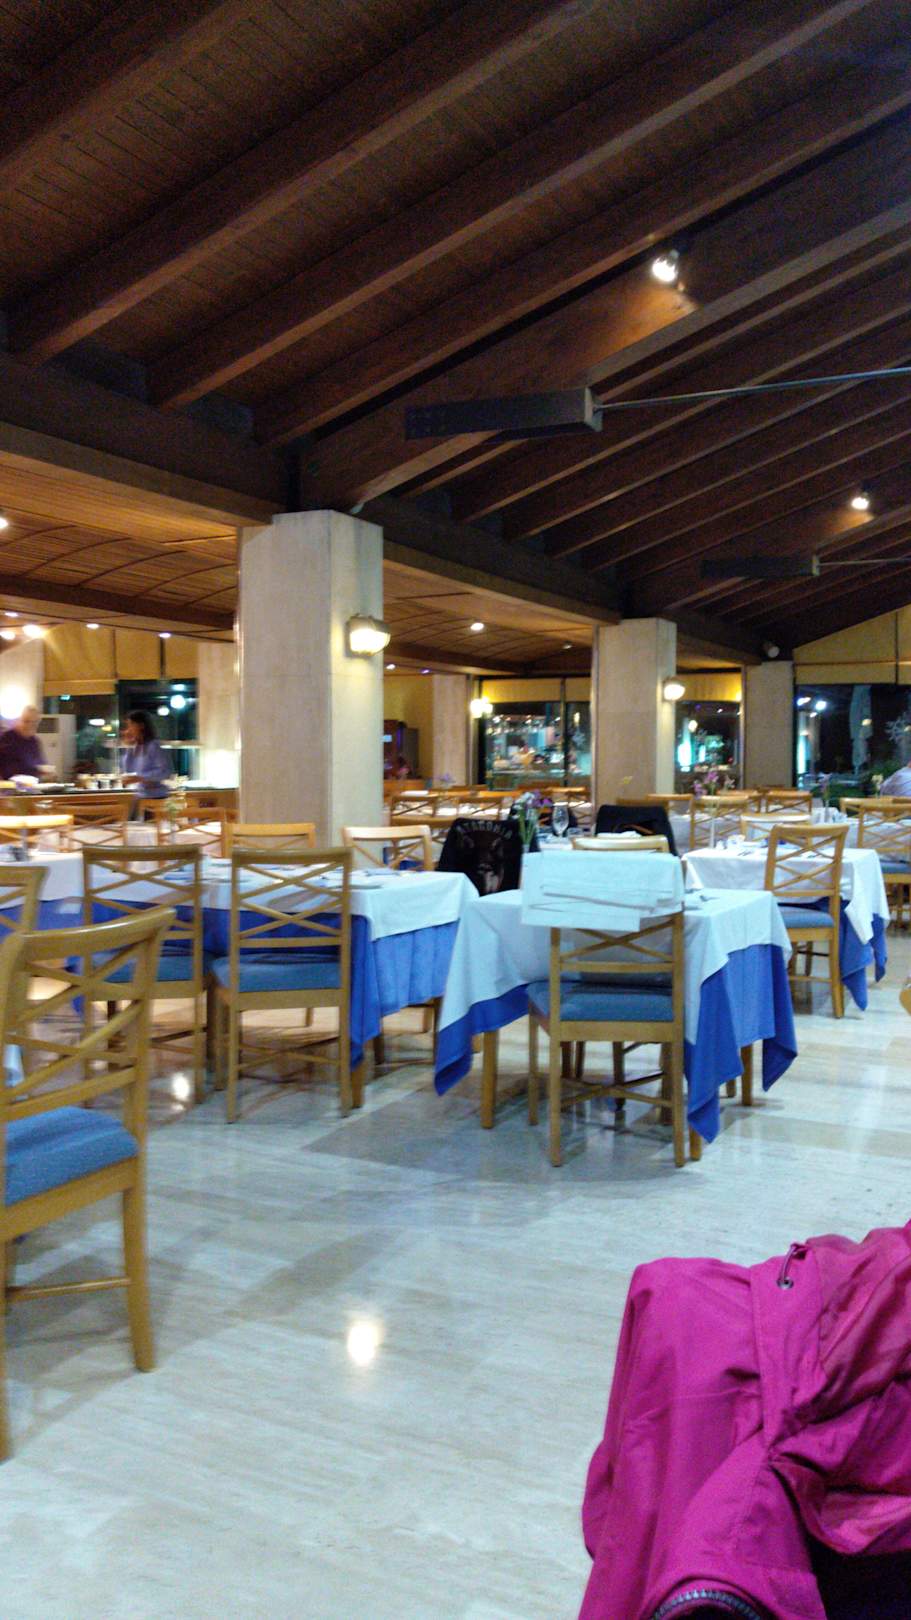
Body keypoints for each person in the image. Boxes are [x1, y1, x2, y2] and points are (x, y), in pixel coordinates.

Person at [120, 710, 170, 813]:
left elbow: (163, 772)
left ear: (141, 726)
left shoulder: (153, 746)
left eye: (131, 725)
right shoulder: (137, 746)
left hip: (156, 797)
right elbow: (128, 769)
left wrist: (140, 778)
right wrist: (128, 747)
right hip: (141, 796)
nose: (128, 729)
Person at [0, 705, 54, 781]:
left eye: (34, 723)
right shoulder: (8, 738)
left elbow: (41, 763)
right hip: (11, 785)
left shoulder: (34, 741)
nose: (30, 725)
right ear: (20, 720)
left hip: (32, 784)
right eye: (27, 721)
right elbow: (9, 768)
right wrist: (36, 770)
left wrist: (46, 772)